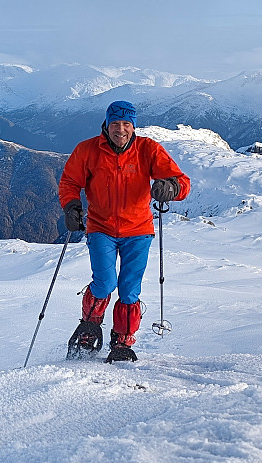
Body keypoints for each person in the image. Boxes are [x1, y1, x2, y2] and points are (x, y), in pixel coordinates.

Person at [58, 100, 190, 363]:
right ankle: (90, 325)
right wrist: (71, 206)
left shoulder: (148, 150)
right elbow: (70, 182)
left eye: (126, 124)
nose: (121, 129)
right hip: (101, 228)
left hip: (138, 230)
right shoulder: (87, 150)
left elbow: (182, 182)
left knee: (129, 289)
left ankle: (122, 340)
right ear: (106, 124)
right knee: (105, 282)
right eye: (115, 123)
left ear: (134, 126)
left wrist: (171, 189)